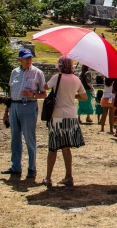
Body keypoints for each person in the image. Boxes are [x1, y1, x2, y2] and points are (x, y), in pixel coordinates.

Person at [2, 48, 47, 179]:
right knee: (15, 138)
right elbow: (11, 92)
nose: (29, 60)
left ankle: (32, 168)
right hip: (14, 106)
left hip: (29, 106)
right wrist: (6, 111)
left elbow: (44, 94)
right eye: (26, 58)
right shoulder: (14, 72)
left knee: (29, 138)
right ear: (19, 59)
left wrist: (32, 94)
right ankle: (16, 167)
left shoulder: (37, 73)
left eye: (30, 58)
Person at [42, 57, 87, 187]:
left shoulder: (57, 77)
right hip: (71, 117)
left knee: (53, 147)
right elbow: (84, 96)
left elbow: (45, 87)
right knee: (66, 148)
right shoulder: (76, 79)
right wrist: (72, 95)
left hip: (57, 116)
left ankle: (48, 177)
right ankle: (68, 176)